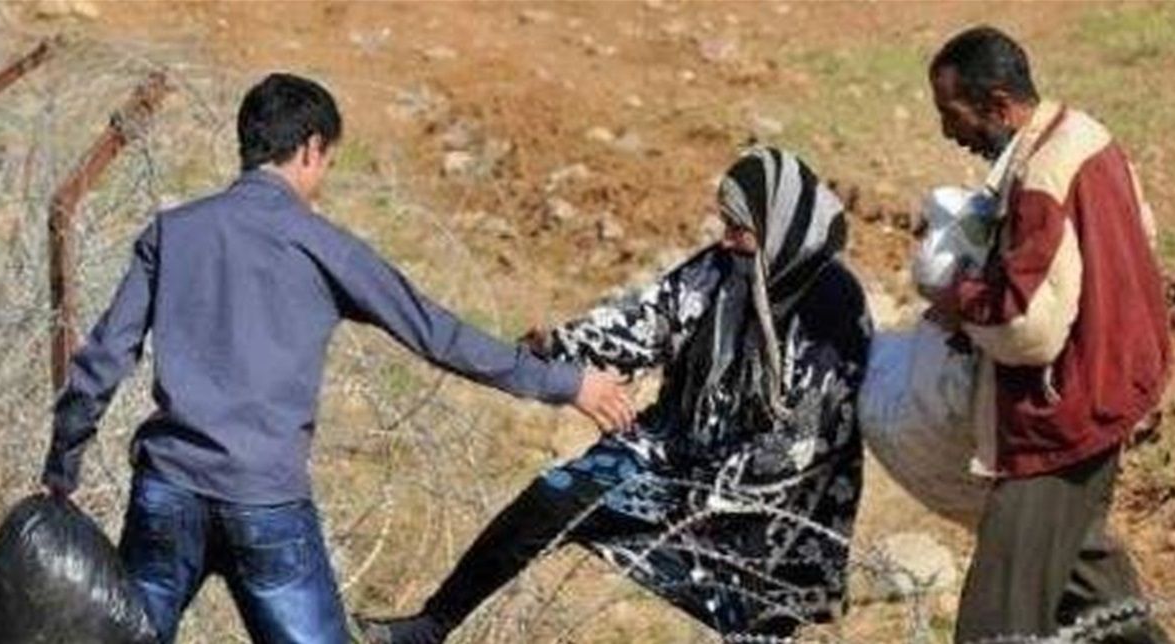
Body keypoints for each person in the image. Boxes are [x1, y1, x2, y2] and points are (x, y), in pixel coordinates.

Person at [40, 72, 634, 644]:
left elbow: (103, 360)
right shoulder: (326, 248)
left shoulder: (174, 232)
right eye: (327, 160)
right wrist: (566, 383)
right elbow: (438, 334)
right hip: (266, 502)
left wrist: (62, 469)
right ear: (310, 148)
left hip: (167, 492)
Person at [356, 147, 872, 644]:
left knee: (756, 615)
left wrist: (705, 502)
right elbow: (650, 321)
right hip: (675, 449)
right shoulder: (721, 268)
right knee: (556, 497)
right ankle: (431, 626)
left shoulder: (831, 305)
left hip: (776, 499)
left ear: (781, 228)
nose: (727, 240)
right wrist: (562, 346)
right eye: (726, 224)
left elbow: (807, 436)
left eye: (740, 229)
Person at [925, 26, 1172, 643]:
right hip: (1118, 376)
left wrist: (958, 301)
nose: (948, 131)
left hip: (1062, 412)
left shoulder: (1041, 176)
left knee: (998, 615)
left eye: (952, 114)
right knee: (1082, 572)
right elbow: (1142, 231)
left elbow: (1025, 324)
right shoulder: (1089, 135)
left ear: (997, 105)